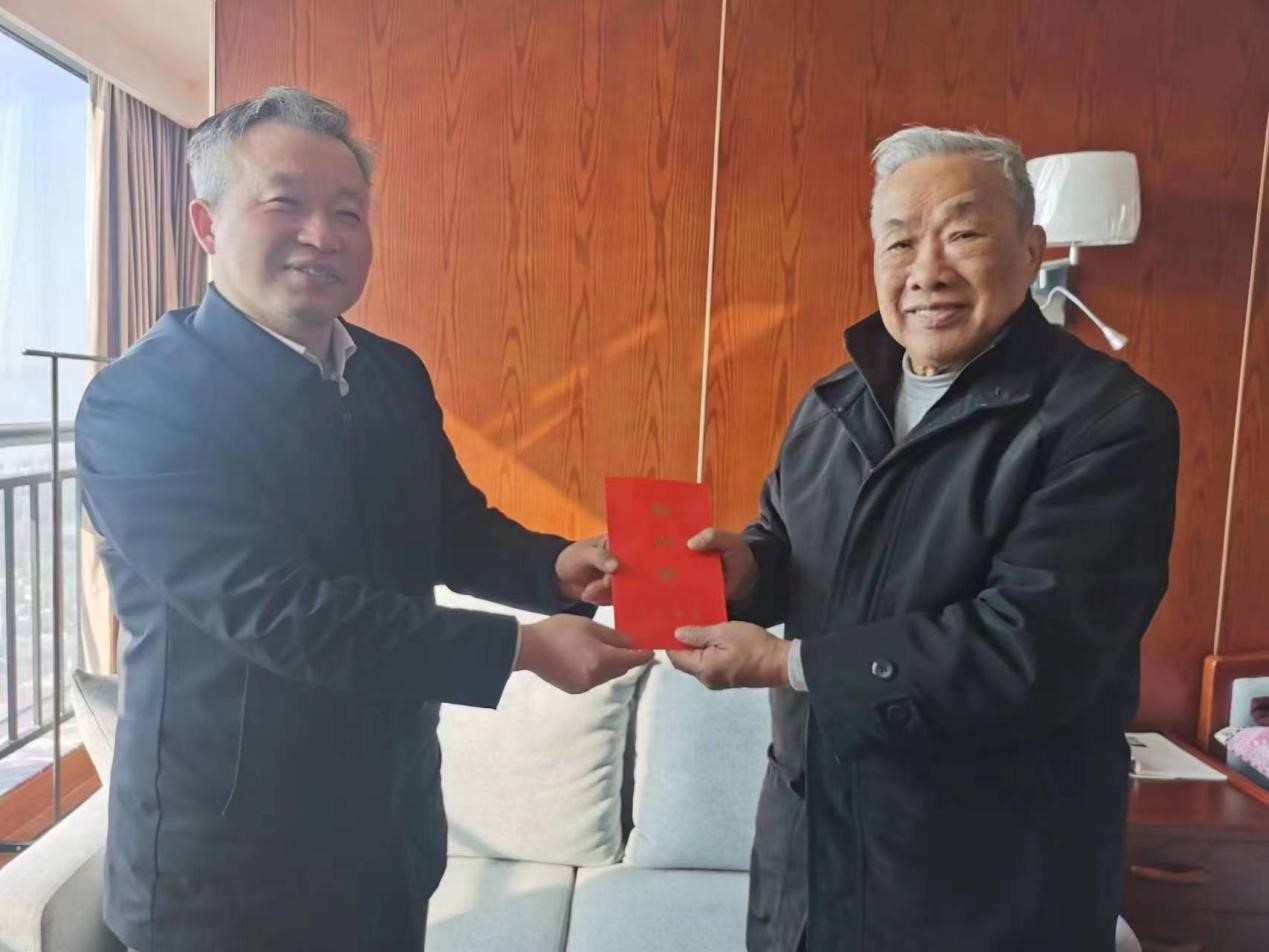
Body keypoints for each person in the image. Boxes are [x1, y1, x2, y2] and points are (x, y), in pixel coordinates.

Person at [75, 86, 652, 952]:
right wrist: (522, 649)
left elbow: (450, 526)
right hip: (226, 868)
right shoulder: (142, 403)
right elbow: (274, 611)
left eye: (348, 212)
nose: (324, 235)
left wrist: (556, 568)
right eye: (286, 204)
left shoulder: (389, 372)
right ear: (205, 224)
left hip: (388, 832)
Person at [669, 127, 1179, 951]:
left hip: (983, 883)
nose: (925, 270)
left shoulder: (1106, 421)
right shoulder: (833, 401)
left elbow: (1029, 645)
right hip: (810, 861)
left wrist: (786, 663)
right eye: (899, 241)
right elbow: (795, 547)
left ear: (1030, 249)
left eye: (962, 233)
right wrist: (748, 571)